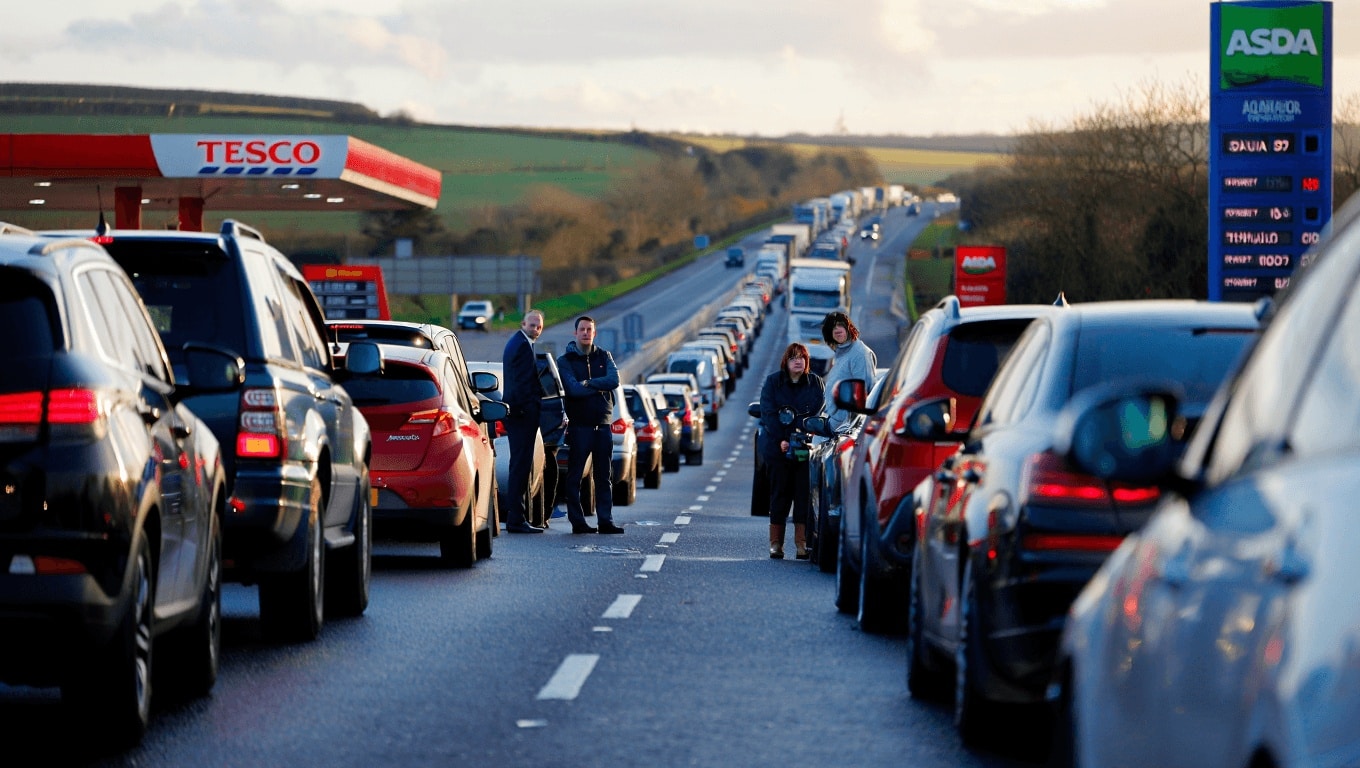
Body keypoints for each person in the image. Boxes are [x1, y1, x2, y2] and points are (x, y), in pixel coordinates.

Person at [557, 316, 625, 535]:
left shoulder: (604, 356)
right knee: (575, 476)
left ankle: (606, 521)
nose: (586, 333)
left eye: (589, 330)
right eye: (582, 329)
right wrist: (596, 386)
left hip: (603, 426)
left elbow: (614, 380)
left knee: (603, 477)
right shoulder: (565, 360)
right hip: (580, 427)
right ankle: (578, 522)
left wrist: (588, 383)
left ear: (594, 333)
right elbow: (573, 390)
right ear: (575, 333)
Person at [758, 342, 825, 559]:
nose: (798, 361)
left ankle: (801, 544)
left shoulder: (815, 383)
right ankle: (775, 544)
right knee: (780, 495)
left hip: (806, 449)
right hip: (778, 449)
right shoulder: (773, 382)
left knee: (803, 495)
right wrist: (782, 440)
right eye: (793, 357)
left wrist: (806, 435)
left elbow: (820, 412)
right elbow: (767, 413)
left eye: (802, 357)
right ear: (785, 361)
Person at [501, 310, 546, 533]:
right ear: (523, 324)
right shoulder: (520, 345)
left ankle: (518, 517)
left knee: (520, 466)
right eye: (532, 325)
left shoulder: (521, 343)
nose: (536, 329)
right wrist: (532, 406)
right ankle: (516, 519)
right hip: (521, 416)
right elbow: (520, 385)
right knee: (520, 466)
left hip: (520, 415)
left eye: (539, 326)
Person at [820, 311, 877, 432]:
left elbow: (866, 394)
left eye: (840, 325)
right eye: (832, 328)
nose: (836, 329)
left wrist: (848, 428)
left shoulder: (859, 353)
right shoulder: (842, 354)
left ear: (848, 327)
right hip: (834, 425)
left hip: (845, 430)